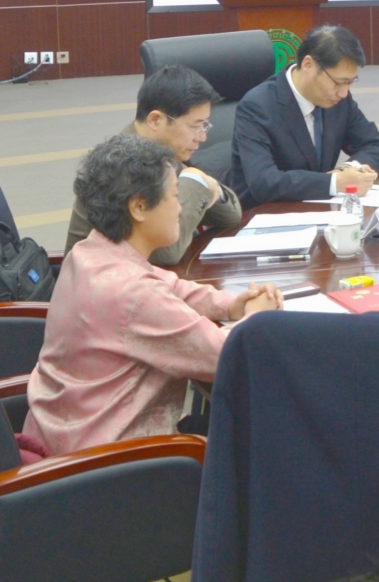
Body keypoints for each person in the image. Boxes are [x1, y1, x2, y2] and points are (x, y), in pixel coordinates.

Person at [26, 135, 281, 455]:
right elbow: (227, 355)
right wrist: (259, 315)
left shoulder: (89, 252)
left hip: (64, 436)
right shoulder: (134, 294)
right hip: (107, 463)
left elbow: (168, 286)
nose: (180, 207)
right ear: (139, 207)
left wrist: (231, 305)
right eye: (174, 195)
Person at [66, 65, 241, 266]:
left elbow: (232, 215)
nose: (202, 137)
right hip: (102, 282)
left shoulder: (161, 153)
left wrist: (211, 187)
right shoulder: (121, 166)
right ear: (156, 120)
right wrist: (196, 182)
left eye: (205, 125)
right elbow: (166, 253)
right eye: (195, 126)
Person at [229, 23, 379, 204]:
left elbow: (378, 147)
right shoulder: (257, 106)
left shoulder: (338, 100)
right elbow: (264, 182)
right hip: (268, 212)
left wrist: (346, 170)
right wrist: (334, 182)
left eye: (350, 82)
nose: (344, 92)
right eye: (338, 82)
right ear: (308, 65)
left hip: (319, 207)